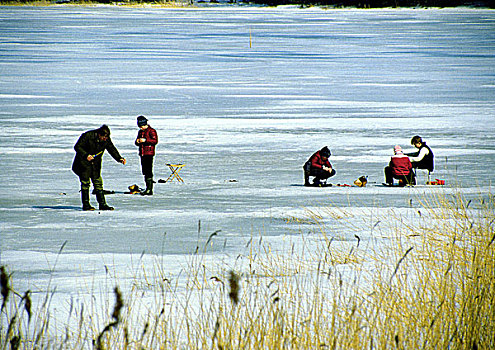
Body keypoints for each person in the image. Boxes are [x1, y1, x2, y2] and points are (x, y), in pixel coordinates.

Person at [72, 125, 126, 211]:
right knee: (85, 184)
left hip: (95, 165)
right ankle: (86, 205)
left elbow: (111, 148)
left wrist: (119, 158)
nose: (105, 139)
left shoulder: (106, 139)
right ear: (99, 134)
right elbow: (77, 147)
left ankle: (102, 204)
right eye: (104, 137)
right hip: (82, 164)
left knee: (98, 183)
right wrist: (86, 155)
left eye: (106, 137)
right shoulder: (87, 136)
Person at [135, 116, 158, 195]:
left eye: (141, 126)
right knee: (144, 171)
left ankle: (149, 189)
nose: (140, 128)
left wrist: (145, 140)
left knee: (148, 170)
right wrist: (138, 142)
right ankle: (148, 187)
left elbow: (155, 141)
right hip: (142, 153)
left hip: (149, 153)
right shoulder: (140, 132)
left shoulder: (152, 131)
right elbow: (136, 142)